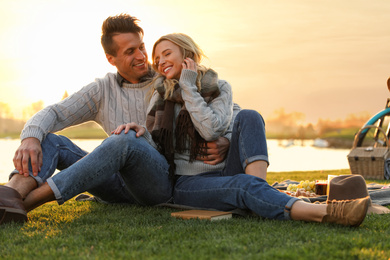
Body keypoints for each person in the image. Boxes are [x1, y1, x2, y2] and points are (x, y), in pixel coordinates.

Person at [115, 33, 370, 227]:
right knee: (243, 185)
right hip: (189, 183)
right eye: (156, 59)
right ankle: (327, 213)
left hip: (226, 168)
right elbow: (161, 146)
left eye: (167, 54)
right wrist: (141, 130)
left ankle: (259, 194)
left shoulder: (220, 87)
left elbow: (211, 130)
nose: (160, 62)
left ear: (187, 55)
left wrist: (189, 87)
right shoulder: (161, 97)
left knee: (250, 115)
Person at [0, 14, 231, 225]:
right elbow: (55, 113)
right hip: (114, 183)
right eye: (130, 52)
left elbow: (227, 107)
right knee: (49, 140)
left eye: (141, 47)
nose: (142, 56)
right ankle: (10, 195)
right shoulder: (102, 90)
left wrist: (227, 140)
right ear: (111, 59)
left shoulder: (168, 78)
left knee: (126, 139)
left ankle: (26, 204)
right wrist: (30, 137)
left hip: (157, 182)